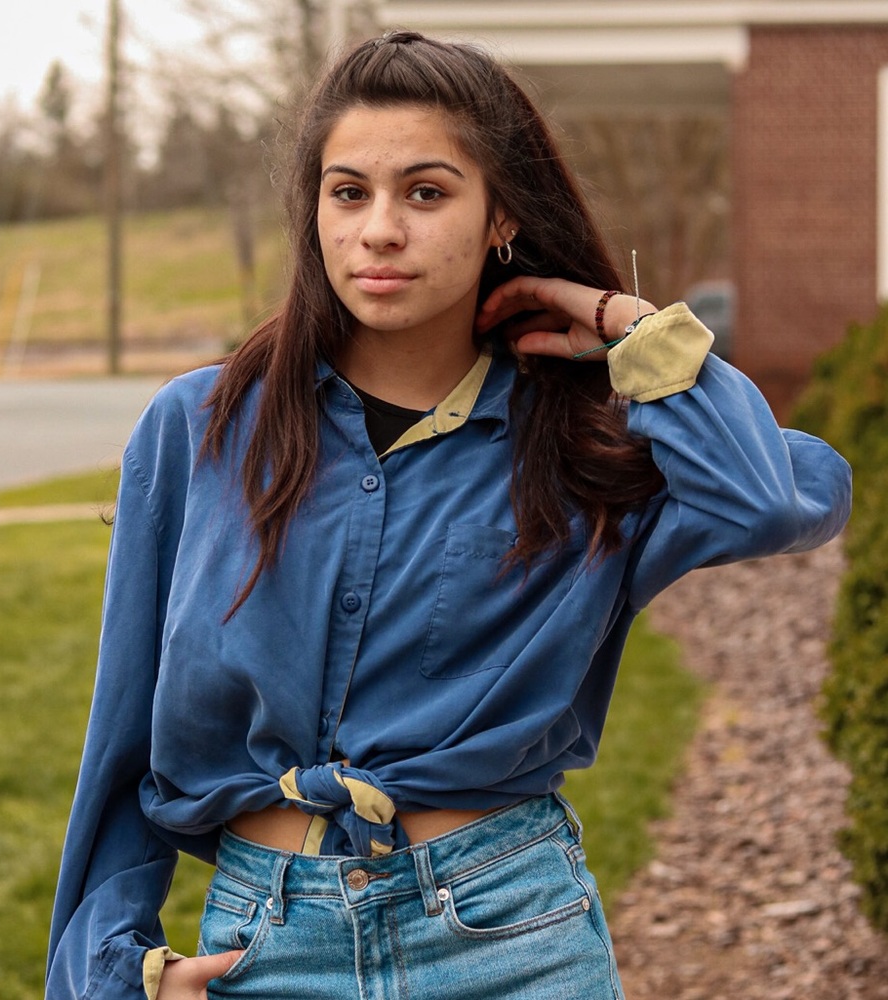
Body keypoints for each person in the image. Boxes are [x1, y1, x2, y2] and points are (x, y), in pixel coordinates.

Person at [45, 30, 851, 1000]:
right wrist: (115, 965)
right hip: (260, 948)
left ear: (500, 213)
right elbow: (122, 735)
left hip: (511, 940)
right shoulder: (201, 428)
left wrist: (628, 331)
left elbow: (768, 499)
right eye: (349, 192)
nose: (380, 230)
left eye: (425, 193)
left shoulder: (584, 443)